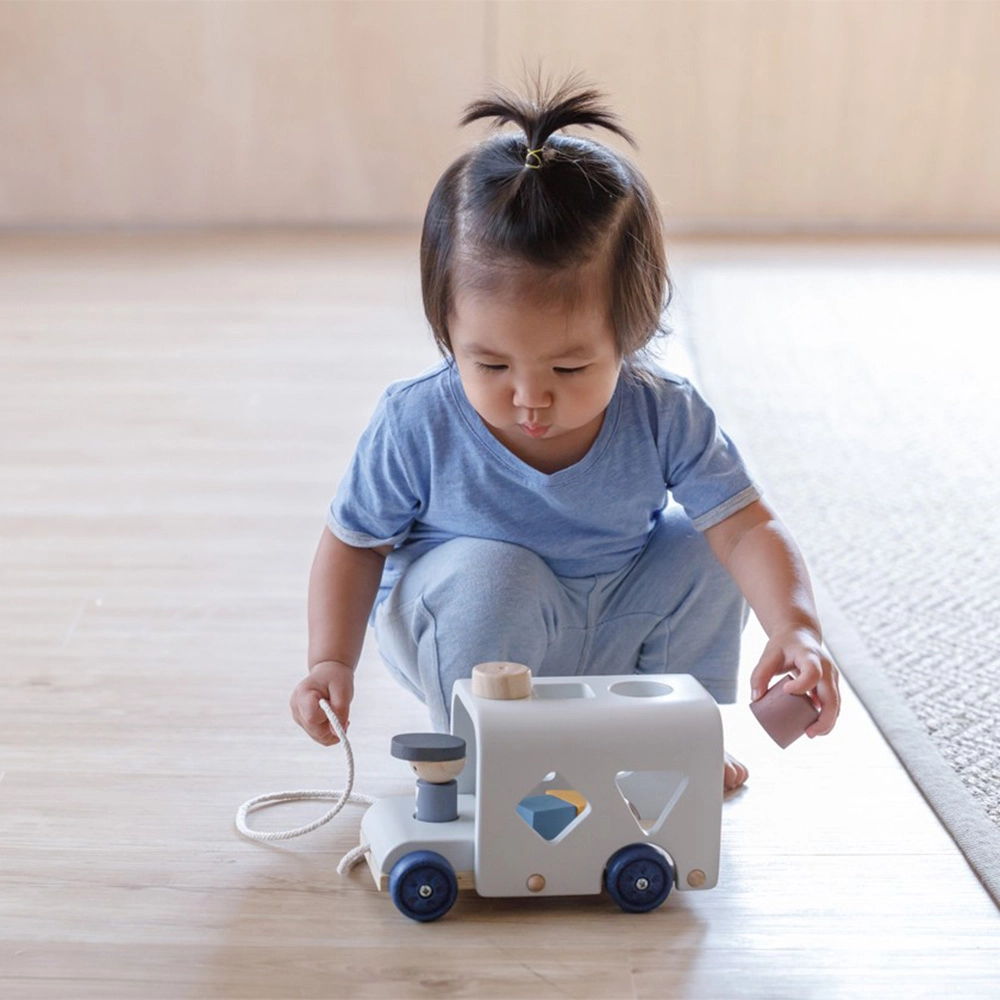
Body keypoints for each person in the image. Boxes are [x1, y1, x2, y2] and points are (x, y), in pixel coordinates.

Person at [290, 78, 840, 790]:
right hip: (474, 637)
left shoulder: (663, 411)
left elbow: (746, 528)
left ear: (630, 335)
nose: (529, 396)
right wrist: (329, 660)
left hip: (608, 622)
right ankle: (486, 758)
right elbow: (353, 543)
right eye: (489, 363)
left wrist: (795, 628)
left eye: (571, 364)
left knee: (708, 547)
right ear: (446, 328)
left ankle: (662, 732)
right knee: (497, 574)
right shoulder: (416, 421)